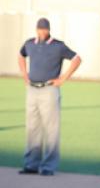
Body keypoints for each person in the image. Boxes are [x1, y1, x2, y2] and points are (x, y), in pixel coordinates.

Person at [18, 17, 82, 176]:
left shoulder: (57, 46)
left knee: (51, 129)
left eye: (45, 29)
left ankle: (48, 167)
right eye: (40, 29)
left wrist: (63, 78)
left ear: (49, 30)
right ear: (36, 29)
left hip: (49, 89)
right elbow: (21, 55)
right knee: (32, 128)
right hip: (32, 89)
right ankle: (31, 165)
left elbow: (76, 59)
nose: (42, 31)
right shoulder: (30, 43)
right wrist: (24, 75)